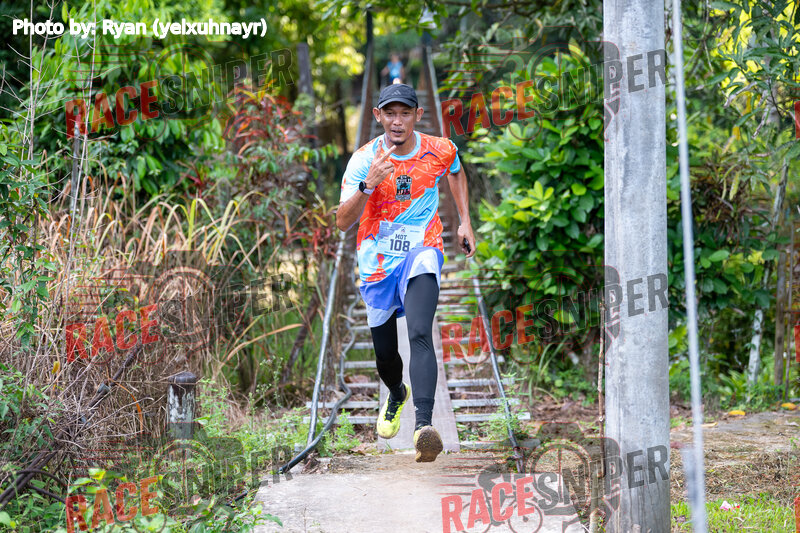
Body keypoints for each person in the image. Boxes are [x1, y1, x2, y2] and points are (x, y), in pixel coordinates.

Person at [336, 84, 475, 462]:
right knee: (385, 355)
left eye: (405, 113)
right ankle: (397, 393)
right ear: (378, 116)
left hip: (422, 250)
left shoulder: (439, 149)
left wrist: (464, 220)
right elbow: (342, 222)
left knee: (419, 332)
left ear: (417, 115)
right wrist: (367, 185)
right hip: (377, 262)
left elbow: (456, 170)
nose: (397, 121)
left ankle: (423, 428)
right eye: (390, 113)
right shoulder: (364, 160)